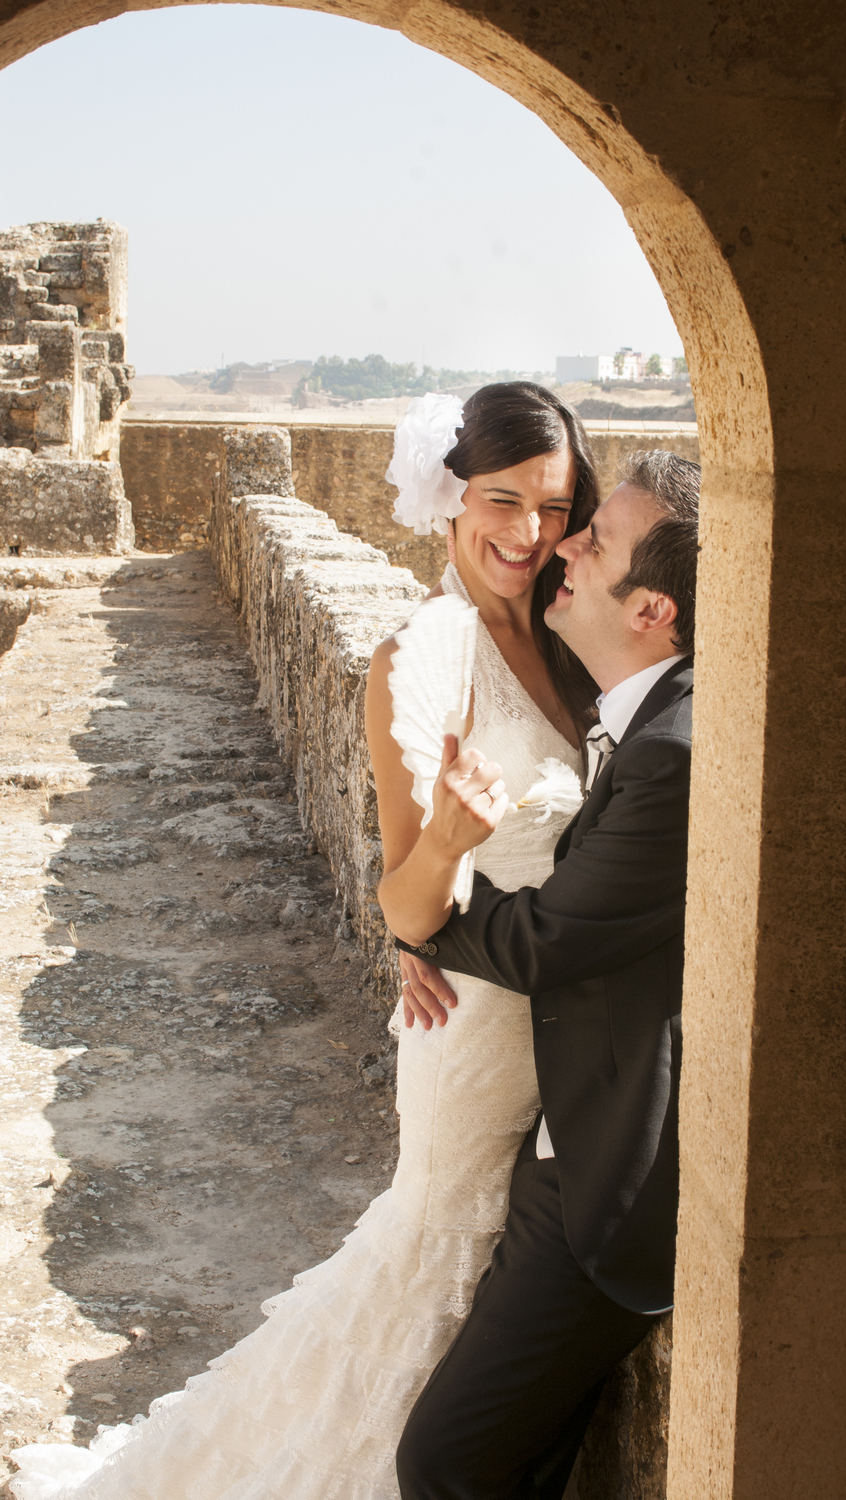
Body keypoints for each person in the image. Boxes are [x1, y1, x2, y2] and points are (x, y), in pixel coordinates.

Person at [10, 383, 600, 1500]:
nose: (528, 532)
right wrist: (455, 842)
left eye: (554, 505)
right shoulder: (423, 655)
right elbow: (406, 899)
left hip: (570, 1009)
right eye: (502, 500)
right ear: (451, 499)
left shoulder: (573, 632)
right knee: (444, 1259)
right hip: (480, 1025)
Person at [382, 449, 700, 1500]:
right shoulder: (624, 699)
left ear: (652, 608)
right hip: (543, 1119)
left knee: (444, 1458)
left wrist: (426, 904)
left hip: (605, 1178)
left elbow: (547, 942)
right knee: (522, 1454)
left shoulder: (678, 747)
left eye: (589, 537)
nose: (559, 544)